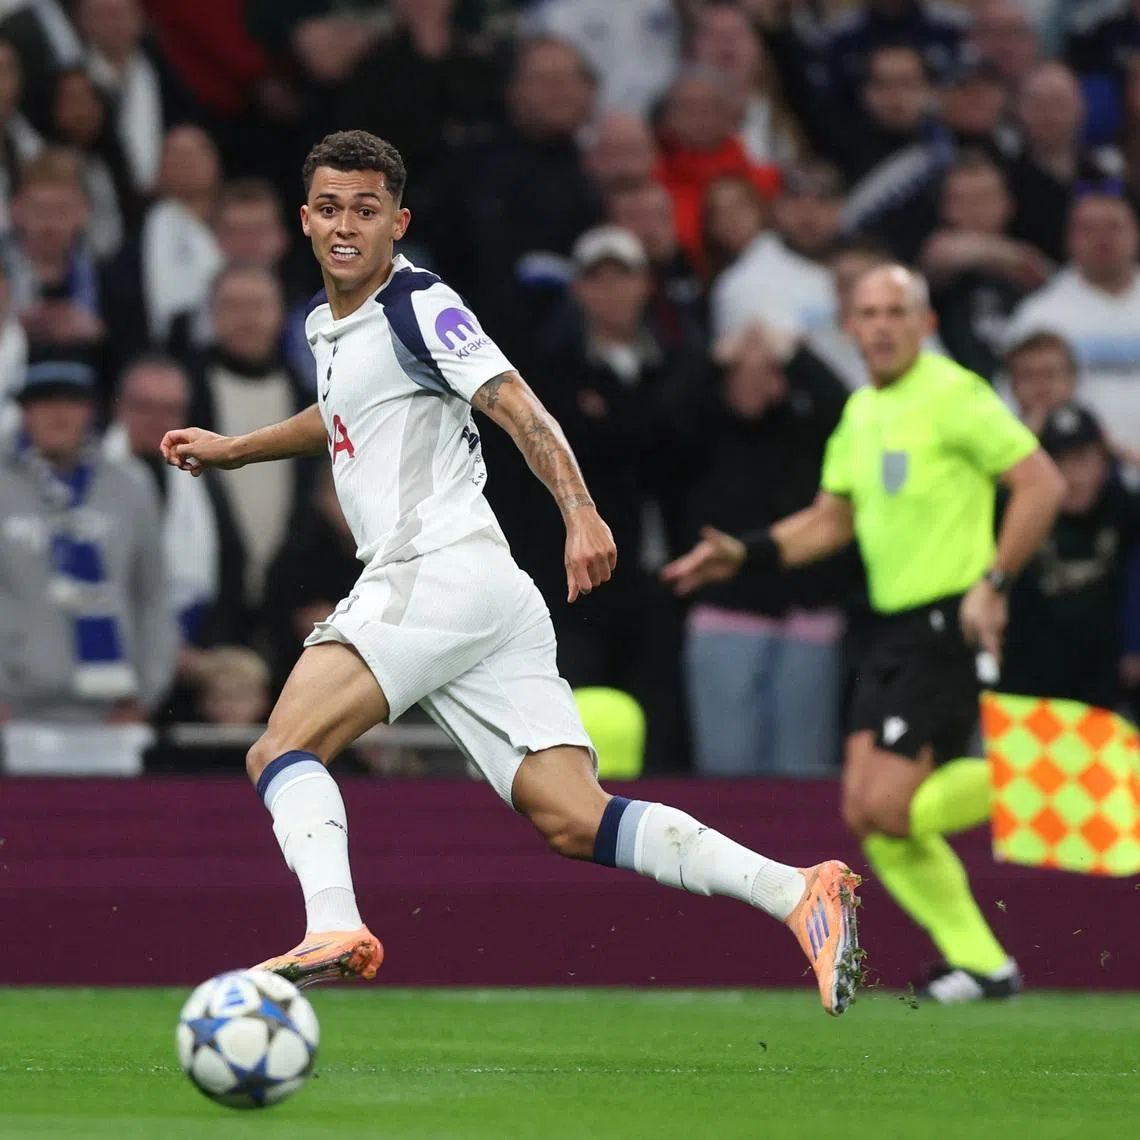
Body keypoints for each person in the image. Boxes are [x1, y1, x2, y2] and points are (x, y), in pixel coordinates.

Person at [160, 130, 862, 1014]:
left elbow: (515, 402)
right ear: (304, 220)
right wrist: (238, 450)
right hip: (487, 597)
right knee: (575, 816)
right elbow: (339, 411)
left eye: (366, 211)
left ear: (397, 222)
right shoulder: (324, 324)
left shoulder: (420, 305)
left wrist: (579, 512)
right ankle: (797, 890)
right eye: (331, 208)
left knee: (280, 745)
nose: (347, 226)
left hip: (434, 568)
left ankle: (333, 923)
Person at [664, 263, 1065, 1003]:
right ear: (851, 327)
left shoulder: (955, 395)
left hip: (949, 618)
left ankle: (1056, 779)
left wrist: (995, 582)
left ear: (926, 323)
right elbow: (832, 520)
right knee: (868, 816)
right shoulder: (862, 413)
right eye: (868, 313)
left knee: (889, 807)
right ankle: (986, 964)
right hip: (889, 628)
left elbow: (1042, 483)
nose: (880, 325)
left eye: (896, 311)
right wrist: (743, 552)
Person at [671, 320, 852, 776]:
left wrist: (794, 355)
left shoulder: (807, 430)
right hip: (725, 615)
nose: (753, 383)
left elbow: (847, 413)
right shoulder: (702, 433)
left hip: (808, 618)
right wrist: (714, 361)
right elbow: (662, 417)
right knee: (726, 774)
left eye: (765, 373)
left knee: (807, 772)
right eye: (742, 374)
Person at [0, 357, 176, 723]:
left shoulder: (131, 487)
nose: (58, 415)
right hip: (12, 708)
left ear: (91, 411)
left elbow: (153, 596)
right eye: (44, 402)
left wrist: (146, 694)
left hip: (113, 712)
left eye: (71, 402)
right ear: (25, 413)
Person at [1000, 402, 1140, 712]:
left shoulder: (1120, 507)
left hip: (1101, 693)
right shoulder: (1018, 513)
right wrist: (1020, 448)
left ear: (1104, 462)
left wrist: (1123, 452)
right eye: (1058, 461)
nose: (1072, 475)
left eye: (1083, 459)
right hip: (1025, 695)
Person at [1005, 190, 1140, 447]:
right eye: (1088, 229)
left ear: (1135, 231)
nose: (1103, 239)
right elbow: (1015, 406)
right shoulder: (1039, 316)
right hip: (1077, 471)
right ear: (1069, 238)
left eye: (1114, 226)